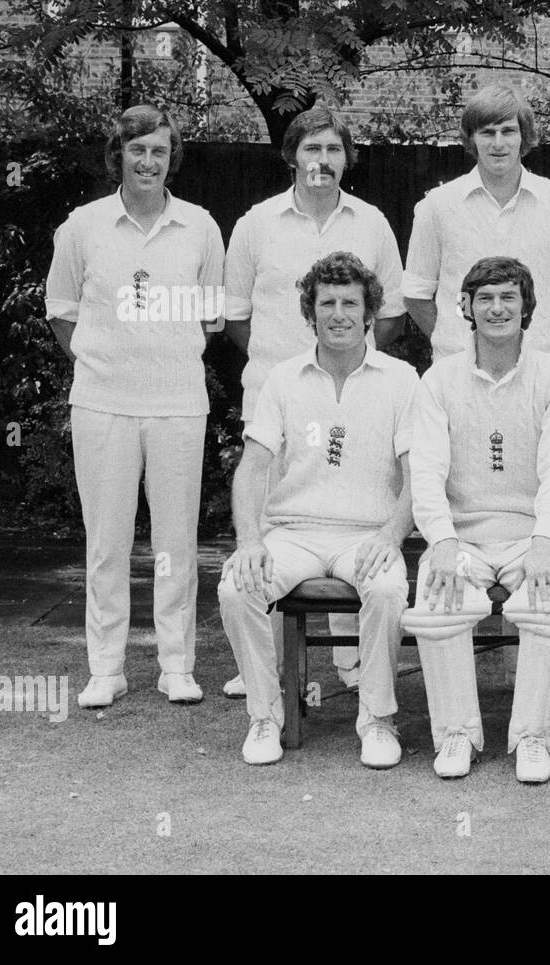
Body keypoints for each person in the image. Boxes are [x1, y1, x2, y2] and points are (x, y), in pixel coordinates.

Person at [222, 105, 406, 696]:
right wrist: (291, 368)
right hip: (277, 396)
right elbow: (235, 318)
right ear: (292, 157)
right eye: (310, 149)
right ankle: (276, 674)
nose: (321, 161)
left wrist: (349, 365)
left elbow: (394, 314)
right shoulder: (255, 223)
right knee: (278, 529)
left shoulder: (373, 222)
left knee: (349, 508)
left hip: (356, 393)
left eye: (332, 150)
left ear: (345, 158)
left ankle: (351, 668)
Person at [45, 104, 224, 710]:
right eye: (137, 150)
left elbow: (211, 317)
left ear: (172, 158)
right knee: (108, 540)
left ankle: (177, 665)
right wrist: (106, 362)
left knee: (175, 538)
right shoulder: (82, 227)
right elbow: (62, 313)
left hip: (178, 405)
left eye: (159, 151)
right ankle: (108, 667)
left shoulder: (200, 226)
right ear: (118, 155)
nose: (149, 161)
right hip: (101, 406)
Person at [217, 252, 419, 767]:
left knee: (390, 588)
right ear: (310, 312)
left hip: (368, 533)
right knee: (236, 586)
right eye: (326, 302)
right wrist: (249, 542)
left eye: (350, 302)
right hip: (293, 533)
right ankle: (266, 717)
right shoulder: (282, 379)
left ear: (370, 311)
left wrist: (391, 537)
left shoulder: (402, 379)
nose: (338, 314)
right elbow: (253, 466)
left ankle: (377, 719)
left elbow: (420, 476)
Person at [405, 257, 550, 783]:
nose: (497, 308)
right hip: (463, 536)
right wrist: (439, 541)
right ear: (466, 308)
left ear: (527, 308)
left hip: (532, 535)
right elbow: (426, 469)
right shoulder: (439, 381)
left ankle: (532, 736)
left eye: (508, 297)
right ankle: (457, 733)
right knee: (437, 598)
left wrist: (549, 538)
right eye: (485, 298)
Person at [402, 84, 550, 361]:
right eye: (487, 132)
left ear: (523, 136)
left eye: (508, 131)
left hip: (534, 368)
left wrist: (526, 334)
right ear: (472, 139)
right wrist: (459, 333)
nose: (498, 143)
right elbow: (416, 295)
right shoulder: (438, 205)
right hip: (457, 369)